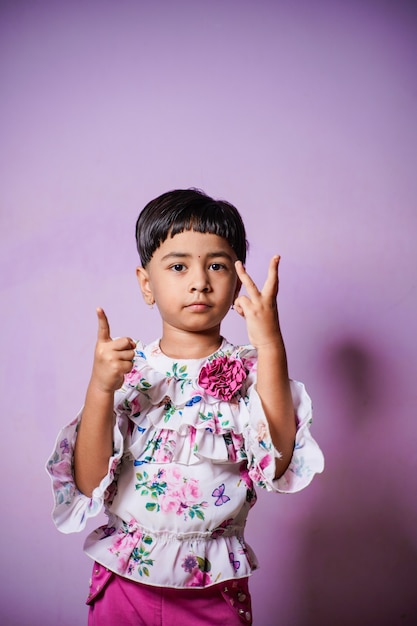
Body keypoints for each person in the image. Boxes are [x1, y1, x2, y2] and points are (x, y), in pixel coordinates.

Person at [47, 188, 324, 625]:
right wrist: (100, 389)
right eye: (178, 266)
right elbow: (87, 480)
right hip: (124, 581)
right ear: (146, 283)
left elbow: (279, 460)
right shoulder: (126, 370)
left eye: (216, 265)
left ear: (236, 279)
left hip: (213, 588)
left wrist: (270, 342)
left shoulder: (252, 372)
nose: (200, 281)